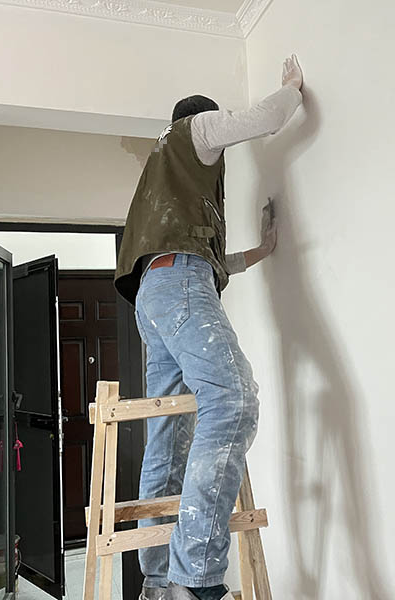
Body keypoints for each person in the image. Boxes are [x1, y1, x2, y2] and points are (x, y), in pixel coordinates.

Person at [114, 54, 304, 600]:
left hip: (154, 294)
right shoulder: (194, 130)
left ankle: (156, 581)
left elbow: (208, 259)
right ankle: (194, 578)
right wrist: (292, 89)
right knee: (233, 400)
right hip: (179, 284)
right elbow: (265, 118)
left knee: (169, 434)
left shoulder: (166, 183)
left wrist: (261, 251)